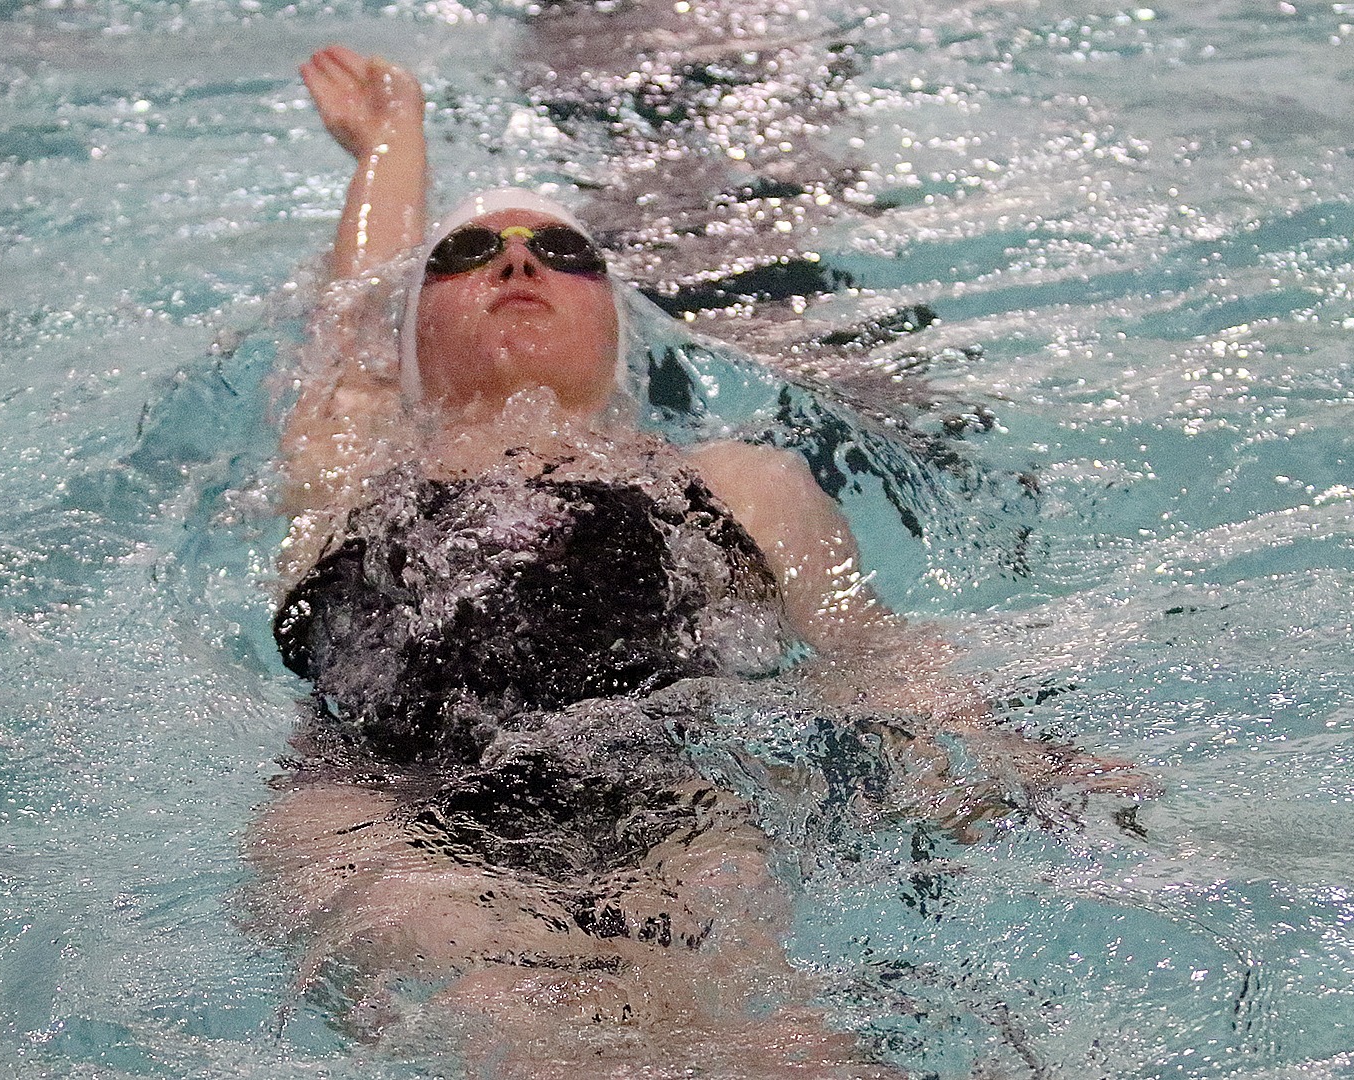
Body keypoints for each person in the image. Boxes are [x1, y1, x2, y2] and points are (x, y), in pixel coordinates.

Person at [247, 45, 1140, 1078]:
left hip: (666, 809)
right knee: (506, 1016)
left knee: (775, 1039)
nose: (518, 263)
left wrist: (1007, 765)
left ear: (618, 324)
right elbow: (356, 311)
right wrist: (390, 139)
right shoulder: (356, 464)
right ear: (413, 325)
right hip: (371, 807)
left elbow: (874, 652)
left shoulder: (735, 482)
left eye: (565, 250)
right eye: (469, 251)